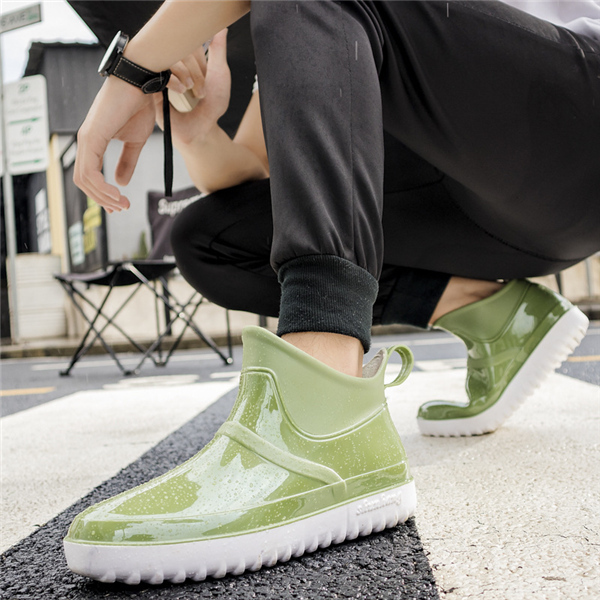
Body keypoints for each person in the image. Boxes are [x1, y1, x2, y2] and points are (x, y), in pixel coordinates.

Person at [65, 0, 600, 584]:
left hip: (571, 131)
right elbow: (265, 186)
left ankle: (319, 416)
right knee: (210, 238)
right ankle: (491, 312)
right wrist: (196, 131)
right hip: (475, 215)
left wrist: (134, 66)